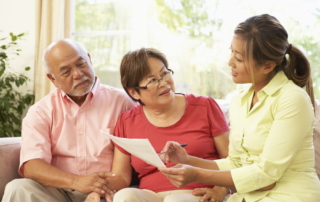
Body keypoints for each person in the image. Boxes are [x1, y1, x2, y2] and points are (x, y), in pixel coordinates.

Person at [158, 14, 320, 202]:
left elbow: (266, 176)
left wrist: (197, 174)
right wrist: (188, 160)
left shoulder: (292, 99)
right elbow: (235, 162)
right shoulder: (240, 100)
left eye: (240, 59)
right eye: (231, 52)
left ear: (267, 66)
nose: (230, 62)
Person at [85, 47, 230, 202]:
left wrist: (220, 190)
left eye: (164, 73)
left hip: (197, 194)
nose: (164, 83)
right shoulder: (127, 121)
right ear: (134, 92)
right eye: (153, 80)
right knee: (124, 196)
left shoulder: (205, 106)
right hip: (151, 195)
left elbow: (232, 160)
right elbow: (121, 177)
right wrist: (100, 189)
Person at [1, 39, 136, 202]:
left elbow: (130, 167)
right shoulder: (40, 111)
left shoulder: (123, 102)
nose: (78, 74)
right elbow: (32, 166)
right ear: (53, 79)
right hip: (57, 192)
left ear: (89, 59)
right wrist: (77, 182)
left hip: (106, 191)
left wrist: (97, 189)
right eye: (66, 72)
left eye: (81, 64)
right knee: (17, 188)